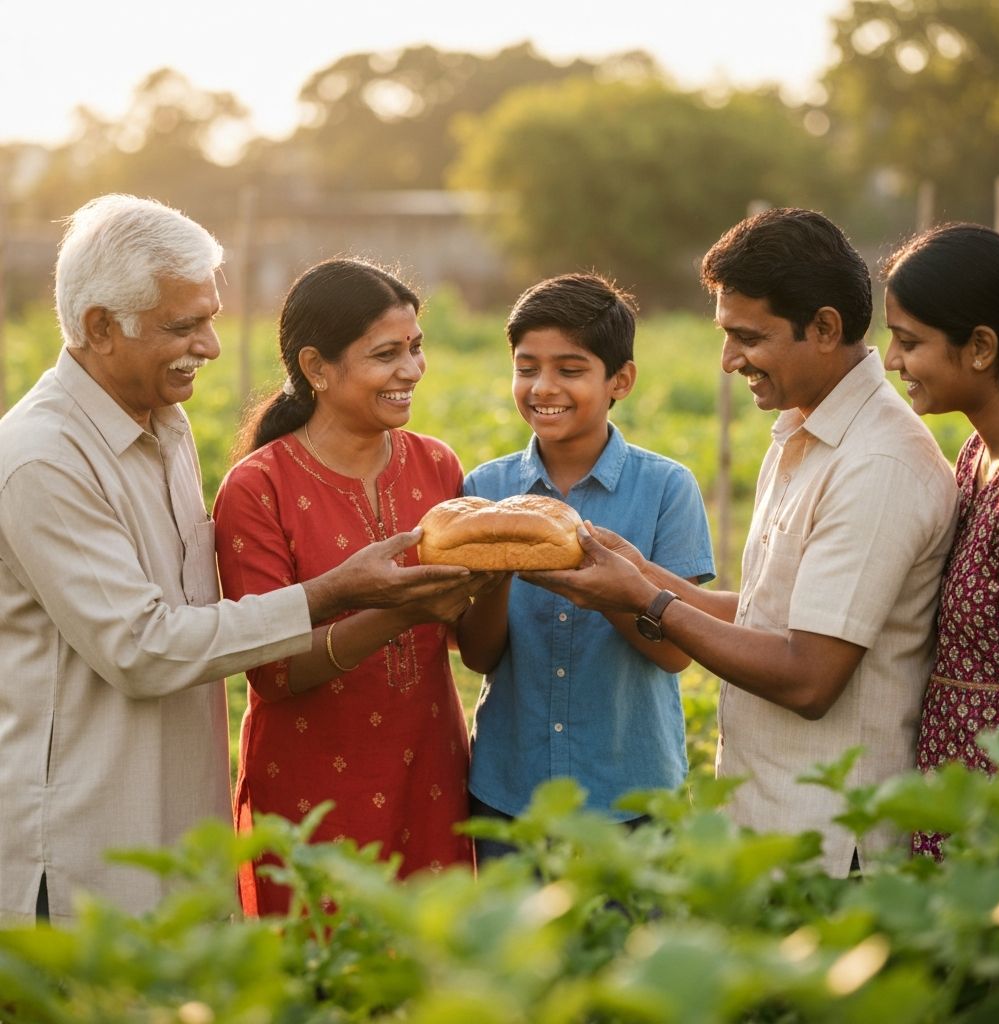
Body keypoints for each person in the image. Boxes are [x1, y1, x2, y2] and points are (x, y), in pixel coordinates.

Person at [0, 196, 470, 925]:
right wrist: (331, 593)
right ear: (99, 327)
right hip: (86, 835)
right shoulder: (42, 459)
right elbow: (141, 647)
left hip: (182, 811)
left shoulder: (164, 422)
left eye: (211, 318)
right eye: (184, 326)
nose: (212, 346)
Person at [526, 209, 959, 877]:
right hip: (771, 817)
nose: (729, 362)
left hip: (829, 846)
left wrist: (644, 598)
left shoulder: (879, 463)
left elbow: (809, 676)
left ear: (824, 328)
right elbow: (770, 617)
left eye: (747, 338)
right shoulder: (803, 432)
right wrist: (641, 572)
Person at [213, 257, 492, 915]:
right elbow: (274, 672)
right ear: (317, 368)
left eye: (416, 348)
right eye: (386, 354)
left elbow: (471, 647)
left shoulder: (437, 464)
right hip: (312, 780)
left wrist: (497, 574)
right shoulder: (259, 488)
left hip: (429, 763)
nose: (412, 371)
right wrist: (396, 610)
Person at [455, 272, 715, 861]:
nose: (544, 387)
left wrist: (611, 593)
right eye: (526, 367)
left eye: (571, 370)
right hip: (510, 791)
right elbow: (478, 657)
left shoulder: (667, 487)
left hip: (631, 795)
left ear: (619, 379)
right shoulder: (487, 489)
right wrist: (494, 578)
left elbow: (675, 652)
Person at [881, 223, 999, 858]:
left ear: (982, 346)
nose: (890, 361)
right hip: (953, 807)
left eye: (909, 342)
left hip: (997, 831)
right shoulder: (975, 455)